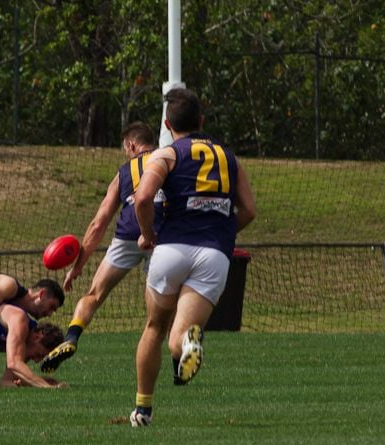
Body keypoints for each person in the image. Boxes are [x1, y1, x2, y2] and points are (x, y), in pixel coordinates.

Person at [129, 88, 257, 427]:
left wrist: (148, 234)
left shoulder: (166, 154)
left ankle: (143, 409)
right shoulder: (228, 157)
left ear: (168, 124)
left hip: (172, 248)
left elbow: (142, 199)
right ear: (201, 121)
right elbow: (249, 210)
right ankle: (189, 344)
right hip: (214, 255)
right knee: (179, 340)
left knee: (154, 328)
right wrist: (223, 234)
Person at [40, 122, 164, 374]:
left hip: (127, 234)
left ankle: (73, 337)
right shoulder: (168, 160)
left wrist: (76, 268)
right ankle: (171, 356)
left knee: (93, 295)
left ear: (131, 145)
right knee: (160, 309)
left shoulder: (124, 172)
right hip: (161, 236)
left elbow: (99, 224)